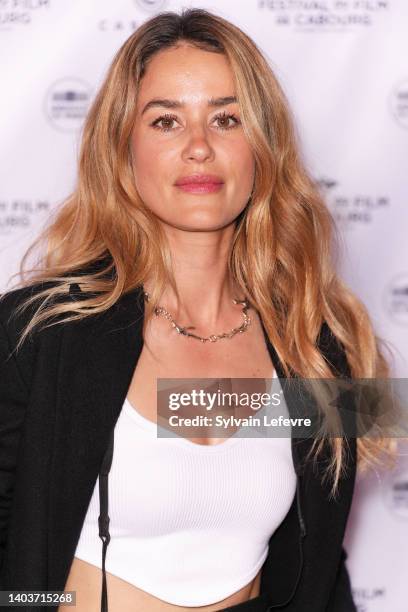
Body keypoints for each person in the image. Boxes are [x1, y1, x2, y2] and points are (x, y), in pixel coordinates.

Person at [0, 8, 398, 612]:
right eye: (165, 121)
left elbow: (322, 563)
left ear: (262, 146)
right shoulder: (41, 329)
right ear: (122, 149)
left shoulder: (315, 341)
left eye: (226, 118)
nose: (199, 148)